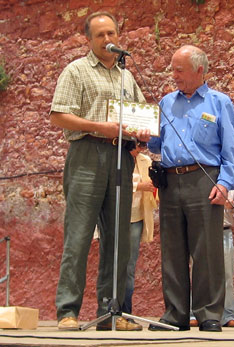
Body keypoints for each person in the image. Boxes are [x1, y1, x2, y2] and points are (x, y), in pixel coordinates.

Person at [50, 11, 150, 331]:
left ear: (119, 36)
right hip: (86, 155)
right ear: (89, 40)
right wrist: (99, 127)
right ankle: (68, 311)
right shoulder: (76, 71)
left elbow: (141, 116)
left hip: (121, 158)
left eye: (112, 33)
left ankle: (112, 312)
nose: (108, 40)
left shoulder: (127, 77)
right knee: (79, 236)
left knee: (118, 240)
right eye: (100, 35)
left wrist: (143, 132)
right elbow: (59, 116)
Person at [147, 45, 234, 332]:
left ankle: (209, 313)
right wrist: (146, 137)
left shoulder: (219, 102)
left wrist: (225, 183)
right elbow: (157, 144)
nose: (173, 75)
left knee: (207, 252)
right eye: (172, 68)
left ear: (199, 70)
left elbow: (231, 149)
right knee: (172, 250)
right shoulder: (165, 102)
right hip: (170, 180)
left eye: (179, 70)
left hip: (205, 179)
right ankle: (175, 314)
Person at [189, 188, 234, 328]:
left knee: (226, 275)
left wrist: (233, 204)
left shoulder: (230, 184)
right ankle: (194, 314)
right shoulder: (199, 181)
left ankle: (227, 315)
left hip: (223, 232)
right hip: (200, 232)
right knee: (197, 273)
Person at [122, 141, 157, 317]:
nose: (139, 149)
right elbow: (113, 184)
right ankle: (109, 310)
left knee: (130, 266)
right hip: (117, 216)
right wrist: (137, 186)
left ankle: (126, 311)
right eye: (136, 145)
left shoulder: (145, 161)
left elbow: (152, 185)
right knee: (112, 265)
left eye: (142, 145)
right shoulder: (117, 158)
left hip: (137, 217)